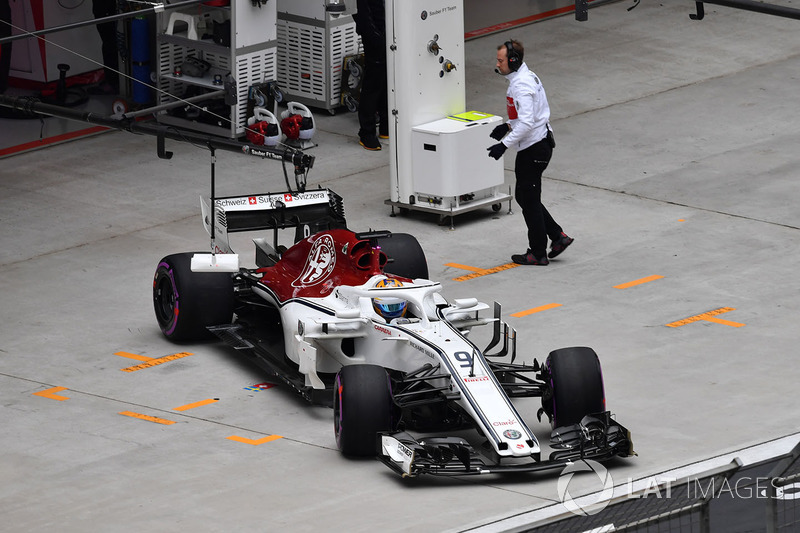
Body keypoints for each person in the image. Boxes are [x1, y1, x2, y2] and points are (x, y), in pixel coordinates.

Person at [487, 39, 573, 266]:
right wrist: (507, 125)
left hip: (534, 148)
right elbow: (527, 117)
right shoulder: (522, 77)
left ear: (513, 60)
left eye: (501, 60)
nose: (498, 64)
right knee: (526, 197)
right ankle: (557, 237)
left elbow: (526, 123)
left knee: (529, 200)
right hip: (535, 144)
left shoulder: (521, 85)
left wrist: (503, 145)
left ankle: (538, 252)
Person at [352, 0, 388, 151]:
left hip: (389, 30)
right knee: (373, 82)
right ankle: (367, 132)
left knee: (387, 80)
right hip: (374, 34)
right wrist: (376, 38)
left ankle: (386, 125)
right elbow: (361, 14)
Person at [89, 0, 120, 95]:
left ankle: (112, 82)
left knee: (109, 44)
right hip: (105, 9)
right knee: (109, 43)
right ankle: (112, 79)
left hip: (106, 9)